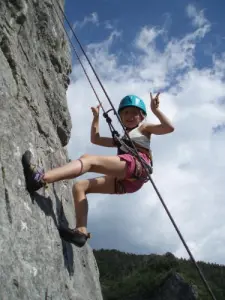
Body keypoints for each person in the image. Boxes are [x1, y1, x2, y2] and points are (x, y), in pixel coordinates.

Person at [22, 92, 174, 247]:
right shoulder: (122, 139)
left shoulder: (144, 128)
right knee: (80, 187)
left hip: (136, 166)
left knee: (89, 159)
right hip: (129, 181)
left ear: (141, 116)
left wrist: (156, 111)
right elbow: (96, 139)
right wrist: (96, 118)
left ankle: (41, 178)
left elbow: (169, 128)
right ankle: (81, 232)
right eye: (125, 112)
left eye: (134, 113)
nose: (129, 116)